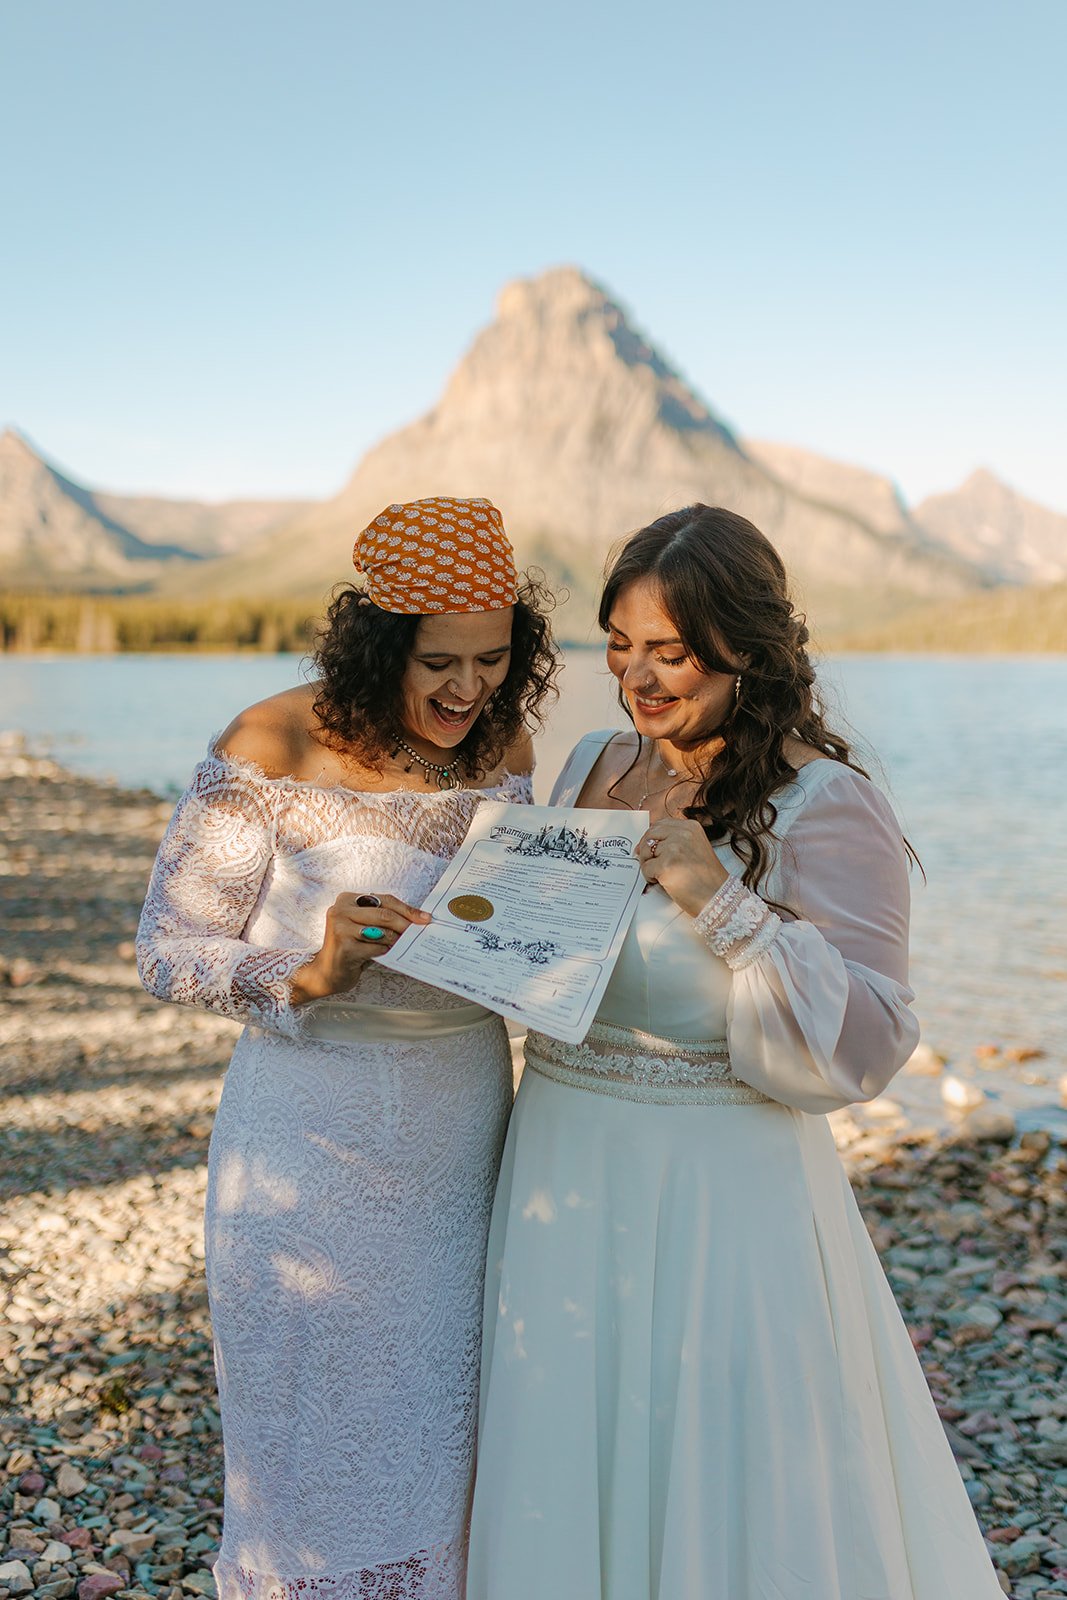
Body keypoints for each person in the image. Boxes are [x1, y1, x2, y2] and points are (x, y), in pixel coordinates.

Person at [468, 505, 1003, 1598]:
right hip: (562, 1160)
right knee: (568, 1439)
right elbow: (533, 955)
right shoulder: (587, 763)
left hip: (721, 1192)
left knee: (724, 1461)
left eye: (668, 650)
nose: (636, 677)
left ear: (747, 647)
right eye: (619, 645)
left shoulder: (826, 804)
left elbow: (867, 1042)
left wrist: (719, 899)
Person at [136, 497, 557, 1600]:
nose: (468, 689)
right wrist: (305, 972)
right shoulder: (268, 741)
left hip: (462, 1130)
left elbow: (516, 925)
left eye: (493, 657)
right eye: (438, 662)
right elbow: (166, 949)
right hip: (304, 1136)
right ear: (376, 643)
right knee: (310, 1420)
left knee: (446, 1419)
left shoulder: (508, 747)